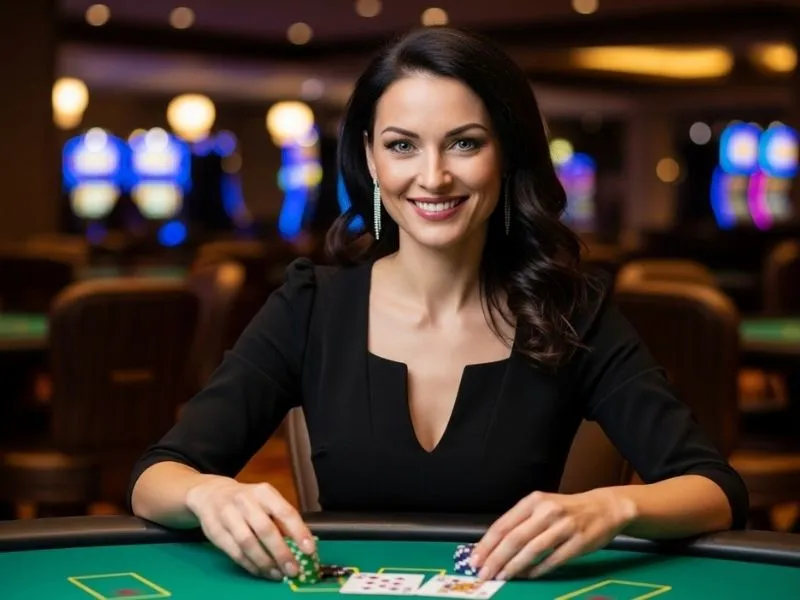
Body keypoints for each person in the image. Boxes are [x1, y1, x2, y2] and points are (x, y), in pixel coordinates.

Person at [129, 26, 748, 585]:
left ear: (506, 155)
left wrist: (614, 506)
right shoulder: (310, 305)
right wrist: (209, 495)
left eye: (464, 143)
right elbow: (158, 476)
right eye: (402, 146)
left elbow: (714, 487)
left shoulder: (570, 309)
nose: (433, 176)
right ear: (370, 157)